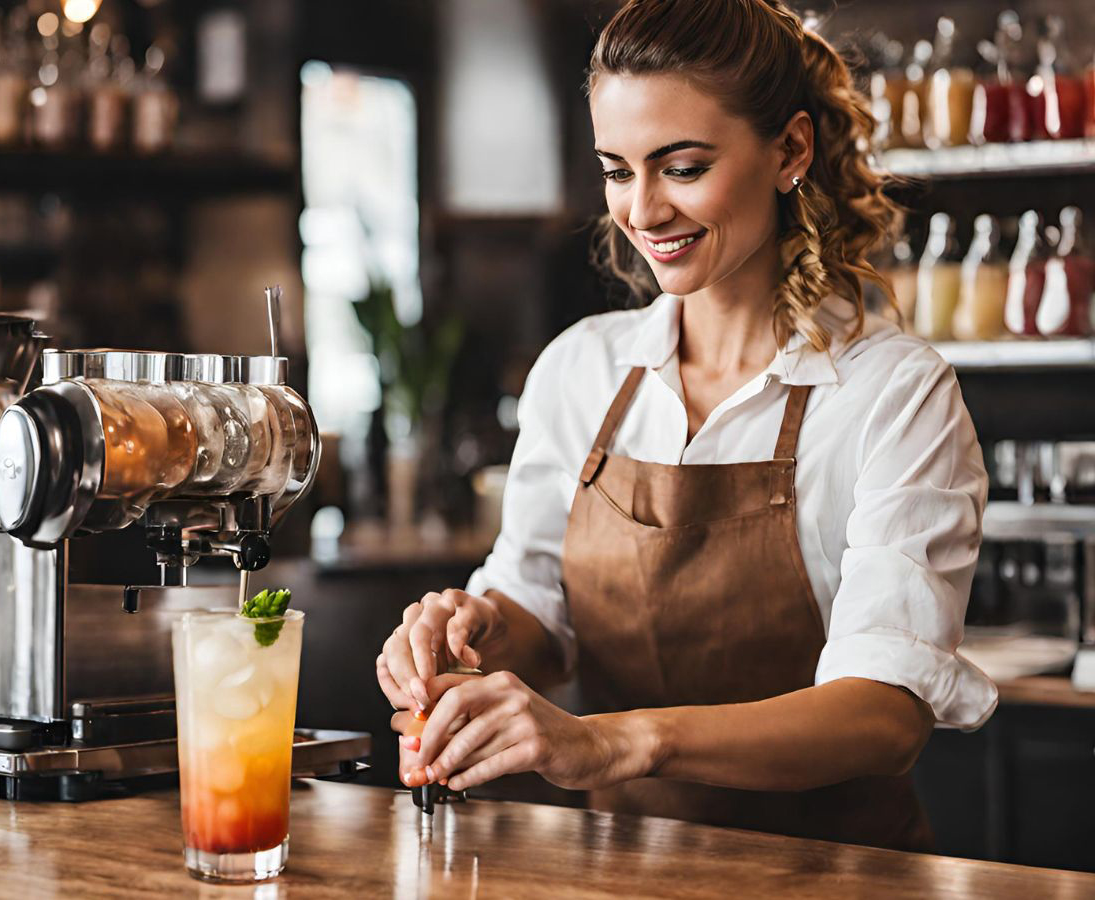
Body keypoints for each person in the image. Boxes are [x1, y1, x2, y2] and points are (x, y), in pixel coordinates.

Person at [375, 0, 996, 851]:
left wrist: (615, 741)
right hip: (624, 872)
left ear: (790, 151)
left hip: (841, 876)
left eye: (682, 166)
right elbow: (540, 614)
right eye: (617, 170)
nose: (644, 210)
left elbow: (885, 714)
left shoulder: (892, 393)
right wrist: (473, 631)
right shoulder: (579, 370)